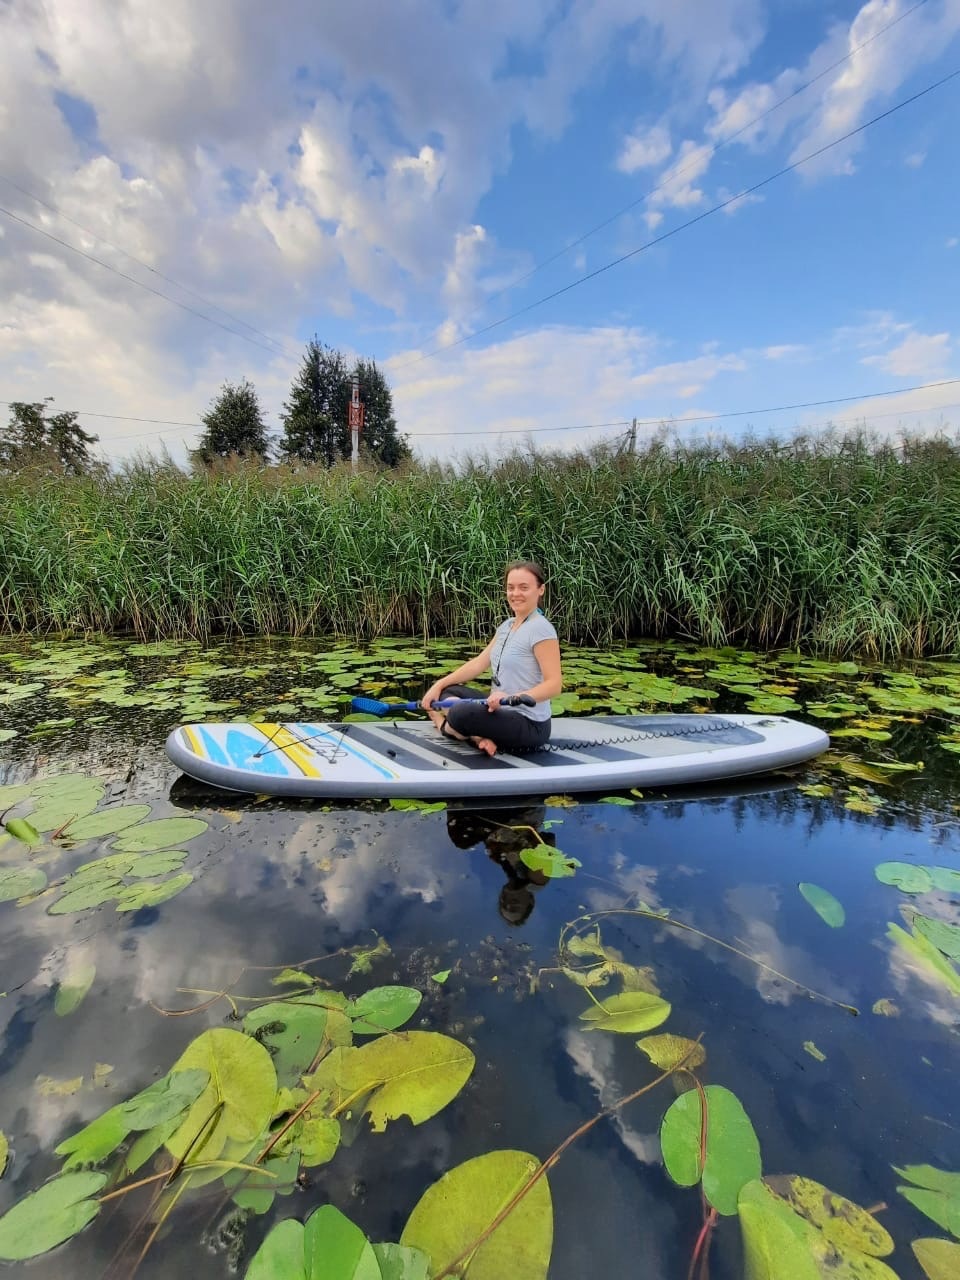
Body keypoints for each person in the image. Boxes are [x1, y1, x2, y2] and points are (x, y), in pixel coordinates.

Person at [420, 561, 562, 756]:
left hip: (529, 724)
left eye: (524, 588)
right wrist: (437, 685)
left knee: (461, 712)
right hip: (497, 708)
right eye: (510, 588)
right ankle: (478, 737)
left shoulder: (541, 629)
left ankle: (444, 725)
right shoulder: (507, 625)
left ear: (541, 590)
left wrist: (512, 698)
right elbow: (479, 663)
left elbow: (554, 685)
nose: (515, 593)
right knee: (448, 691)